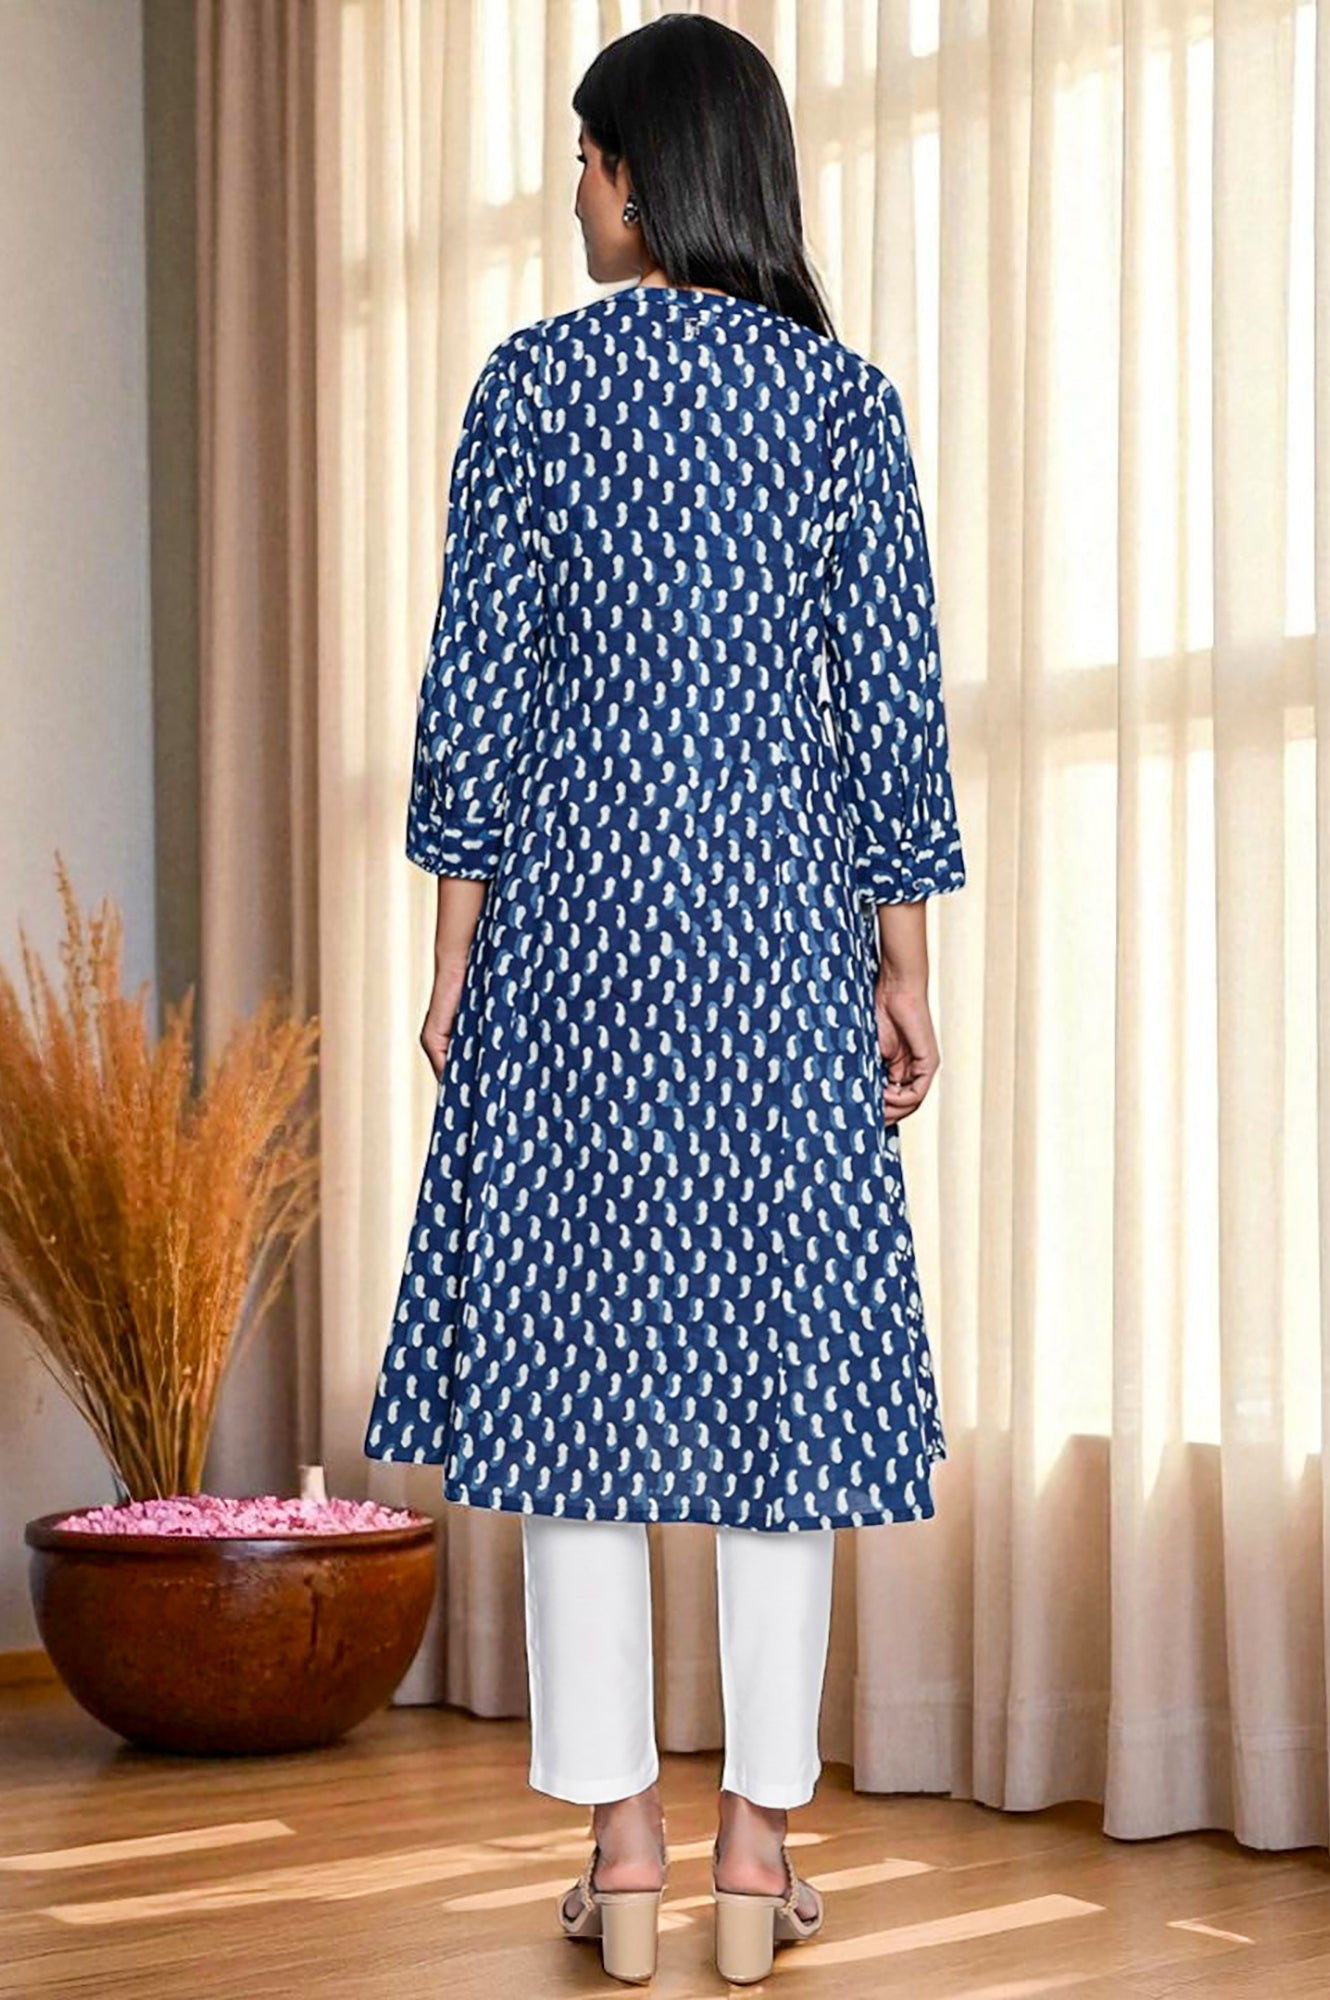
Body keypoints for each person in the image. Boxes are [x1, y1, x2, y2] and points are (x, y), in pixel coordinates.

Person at [363, 12, 967, 1986]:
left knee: (574, 1379)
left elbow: (474, 690)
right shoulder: (840, 403)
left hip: (576, 931)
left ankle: (619, 1854)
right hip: (773, 930)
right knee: (779, 1374)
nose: (569, 188)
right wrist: (900, 957)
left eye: (585, 156)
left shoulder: (533, 385)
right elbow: (888, 710)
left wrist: (454, 949)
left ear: (643, 176)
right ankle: (751, 1853)